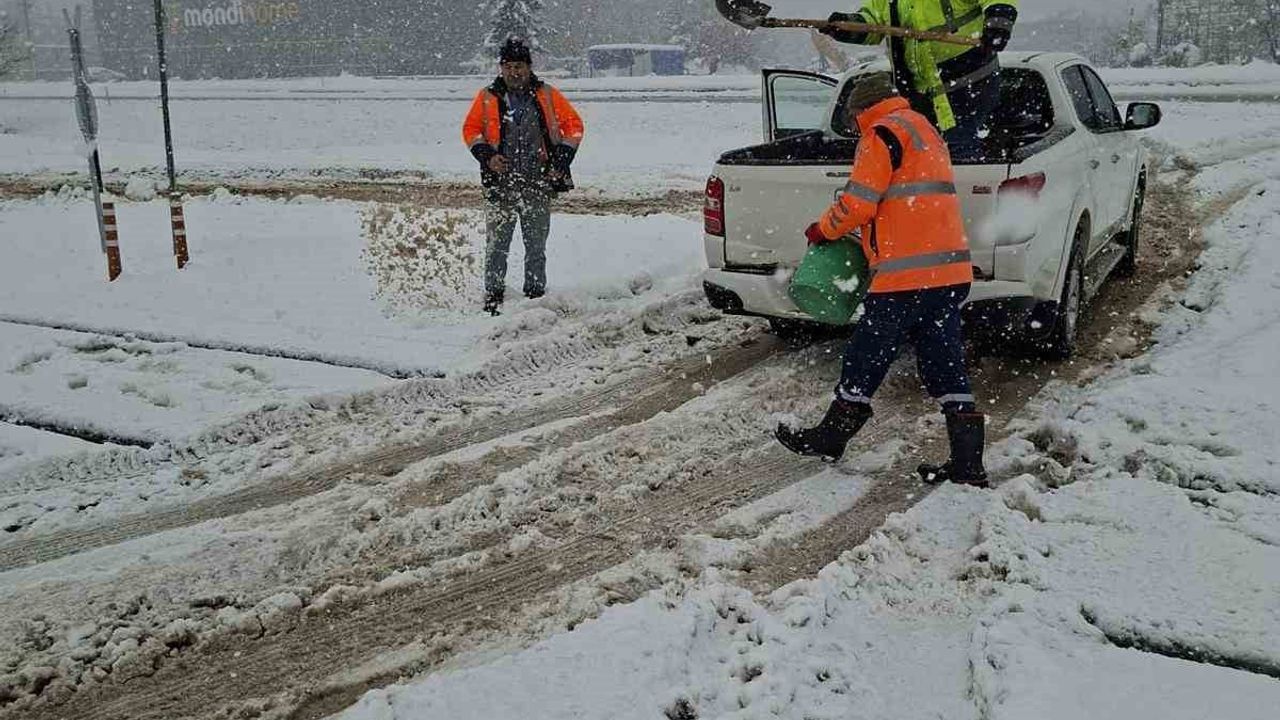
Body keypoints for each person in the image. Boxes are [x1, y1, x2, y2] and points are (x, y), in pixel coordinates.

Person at [774, 71, 987, 488]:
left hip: (905, 275)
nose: (854, 127)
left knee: (866, 354)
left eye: (854, 119)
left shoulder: (879, 134)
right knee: (944, 361)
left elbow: (859, 204)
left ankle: (830, 438)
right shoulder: (924, 128)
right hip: (949, 271)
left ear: (860, 111)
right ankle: (968, 464)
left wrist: (824, 229)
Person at [462, 38, 585, 316]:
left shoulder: (548, 95)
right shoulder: (487, 97)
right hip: (500, 186)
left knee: (536, 245)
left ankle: (535, 295)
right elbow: (470, 130)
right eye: (508, 66)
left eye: (519, 66)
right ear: (501, 68)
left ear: (529, 67)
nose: (514, 72)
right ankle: (493, 296)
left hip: (537, 183)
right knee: (496, 246)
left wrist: (561, 160)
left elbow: (574, 126)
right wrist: (487, 156)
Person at [822, 0, 1018, 160]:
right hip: (922, 92)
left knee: (958, 150)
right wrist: (849, 25)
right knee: (928, 155)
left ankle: (963, 198)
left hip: (968, 85)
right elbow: (875, 24)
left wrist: (998, 23)